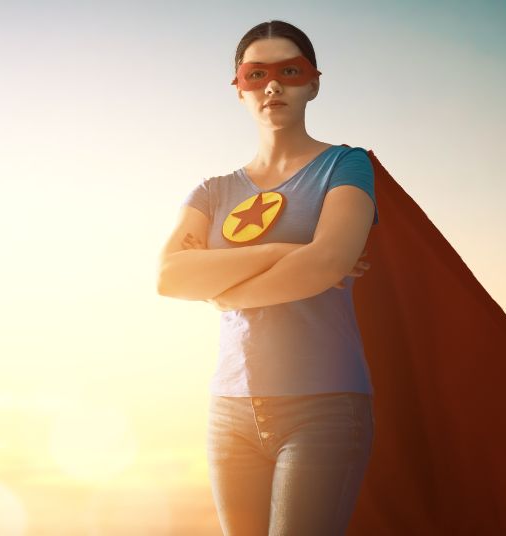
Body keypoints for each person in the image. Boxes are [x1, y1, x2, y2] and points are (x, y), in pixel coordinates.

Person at [156, 20, 379, 535]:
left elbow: (325, 264)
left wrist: (221, 290)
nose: (273, 86)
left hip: (323, 407)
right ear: (239, 89)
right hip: (229, 412)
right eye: (256, 74)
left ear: (313, 83)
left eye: (289, 72)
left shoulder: (346, 166)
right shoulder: (211, 191)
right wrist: (284, 250)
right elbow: (170, 275)